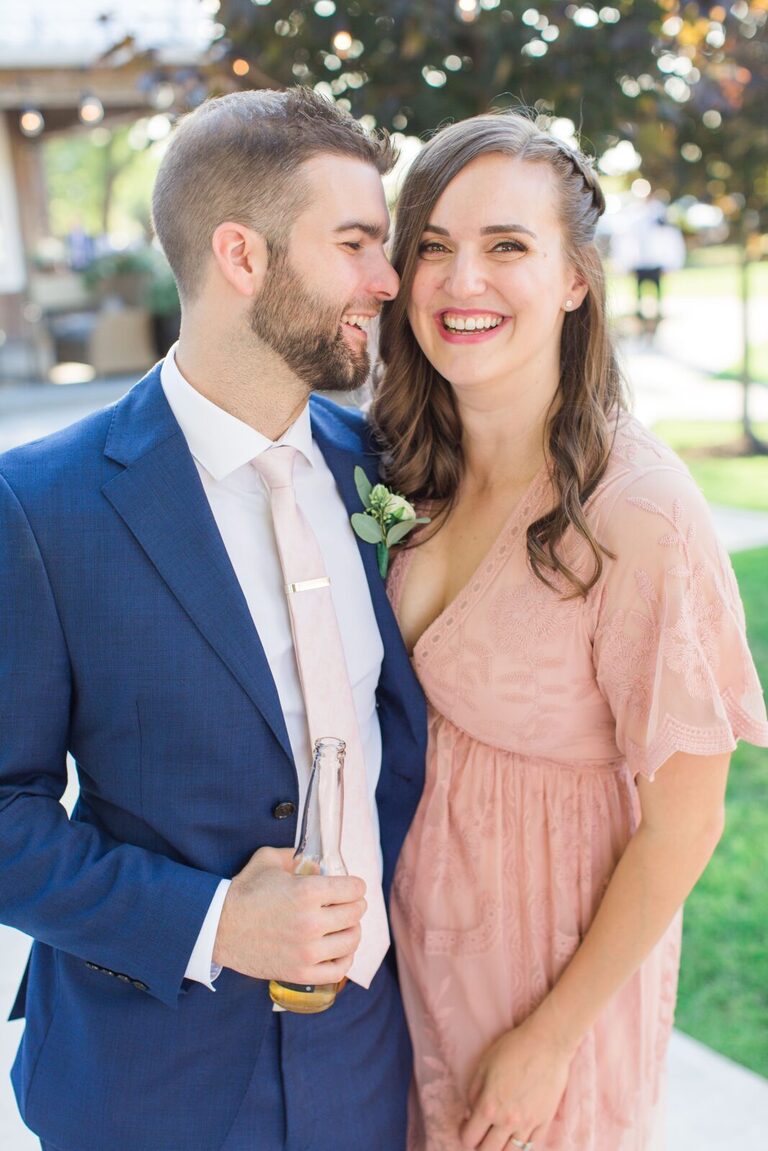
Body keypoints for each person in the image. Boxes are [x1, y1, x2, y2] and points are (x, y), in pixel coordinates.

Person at [0, 88, 426, 1151]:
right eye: (357, 243)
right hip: (148, 1082)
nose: (388, 279)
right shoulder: (40, 505)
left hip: (372, 1062)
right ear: (244, 256)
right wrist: (216, 920)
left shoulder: (386, 465)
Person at [372, 112, 768, 1151]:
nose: (464, 281)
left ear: (579, 278)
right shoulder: (408, 470)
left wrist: (551, 1034)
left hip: (545, 988)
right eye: (433, 247)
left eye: (508, 246)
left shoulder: (638, 511)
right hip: (402, 977)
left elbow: (686, 823)